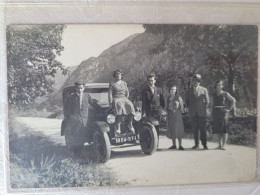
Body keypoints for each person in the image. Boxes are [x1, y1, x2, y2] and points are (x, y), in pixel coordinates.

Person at [64, 81, 89, 153]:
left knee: (83, 134)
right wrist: (72, 117)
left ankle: (81, 149)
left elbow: (93, 104)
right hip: (76, 119)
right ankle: (78, 152)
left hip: (85, 119)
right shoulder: (72, 98)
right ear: (76, 89)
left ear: (84, 88)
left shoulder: (87, 96)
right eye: (78, 88)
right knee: (77, 135)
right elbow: (68, 109)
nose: (80, 90)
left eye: (81, 88)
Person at [185, 74, 210, 150]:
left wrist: (203, 108)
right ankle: (196, 144)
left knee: (203, 129)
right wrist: (190, 109)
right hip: (193, 112)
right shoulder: (188, 90)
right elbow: (186, 102)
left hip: (202, 112)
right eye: (194, 80)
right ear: (192, 81)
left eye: (198, 81)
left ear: (200, 81)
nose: (196, 82)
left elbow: (207, 101)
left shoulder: (204, 89)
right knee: (195, 129)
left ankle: (204, 144)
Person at [109, 69, 135, 135]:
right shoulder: (112, 83)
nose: (118, 75)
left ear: (121, 75)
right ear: (115, 75)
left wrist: (126, 99)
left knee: (131, 106)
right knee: (119, 106)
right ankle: (118, 127)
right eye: (117, 74)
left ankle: (130, 124)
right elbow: (110, 93)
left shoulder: (124, 83)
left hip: (124, 98)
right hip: (116, 98)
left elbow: (127, 92)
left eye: (119, 74)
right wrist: (111, 102)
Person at [212, 80, 236, 150]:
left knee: (224, 129)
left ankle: (224, 145)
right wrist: (211, 114)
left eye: (219, 85)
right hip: (215, 111)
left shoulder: (225, 94)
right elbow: (211, 104)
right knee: (218, 129)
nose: (218, 86)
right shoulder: (213, 94)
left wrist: (229, 109)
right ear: (215, 86)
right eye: (217, 85)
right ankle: (219, 145)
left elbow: (233, 100)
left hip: (223, 112)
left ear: (222, 86)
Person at [142, 73, 165, 144]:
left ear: (154, 81)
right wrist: (143, 113)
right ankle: (151, 144)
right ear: (147, 81)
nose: (150, 82)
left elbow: (162, 102)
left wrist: (162, 110)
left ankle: (156, 144)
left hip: (157, 112)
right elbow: (144, 103)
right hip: (149, 112)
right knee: (150, 128)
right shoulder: (145, 91)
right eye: (149, 80)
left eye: (152, 80)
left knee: (157, 128)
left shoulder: (159, 90)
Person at [166, 84, 185, 150]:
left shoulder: (178, 97)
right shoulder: (168, 98)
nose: (172, 91)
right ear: (169, 90)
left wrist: (178, 111)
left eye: (174, 89)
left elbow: (182, 107)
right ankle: (174, 145)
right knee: (172, 129)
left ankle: (180, 145)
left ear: (176, 90)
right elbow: (167, 107)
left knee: (178, 129)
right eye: (171, 89)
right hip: (170, 114)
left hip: (177, 114)